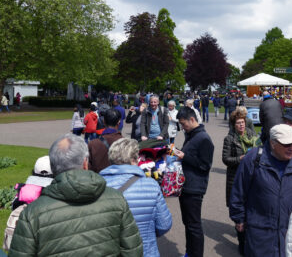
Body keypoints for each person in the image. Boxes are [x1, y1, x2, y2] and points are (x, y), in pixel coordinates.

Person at [8, 133, 143, 256]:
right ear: (85, 163)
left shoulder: (32, 213)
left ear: (53, 166)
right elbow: (133, 251)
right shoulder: (116, 200)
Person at [230, 124, 292, 257]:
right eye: (286, 144)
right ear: (273, 143)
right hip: (260, 232)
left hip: (290, 231)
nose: (291, 148)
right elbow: (239, 190)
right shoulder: (254, 159)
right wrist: (239, 218)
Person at [100, 138, 172, 257]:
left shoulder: (98, 185)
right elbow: (164, 225)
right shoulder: (151, 185)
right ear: (135, 159)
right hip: (145, 251)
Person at [172, 107, 214, 257]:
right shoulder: (191, 135)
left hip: (195, 188)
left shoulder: (203, 138)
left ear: (192, 119)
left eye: (183, 124)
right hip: (187, 186)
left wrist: (184, 156)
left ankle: (195, 254)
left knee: (194, 225)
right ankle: (190, 252)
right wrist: (177, 152)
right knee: (188, 224)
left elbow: (205, 165)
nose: (182, 127)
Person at [222, 109, 258, 255]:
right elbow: (225, 159)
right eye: (238, 123)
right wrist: (240, 159)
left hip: (252, 177)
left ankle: (250, 239)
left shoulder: (253, 135)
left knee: (252, 208)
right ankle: (242, 242)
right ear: (234, 125)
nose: (241, 125)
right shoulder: (229, 139)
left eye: (243, 122)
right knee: (239, 211)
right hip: (235, 178)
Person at [88, 109, 123, 173]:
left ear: (104, 122)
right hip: (121, 181)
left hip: (99, 180)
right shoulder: (126, 143)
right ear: (119, 122)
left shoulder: (93, 144)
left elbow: (89, 168)